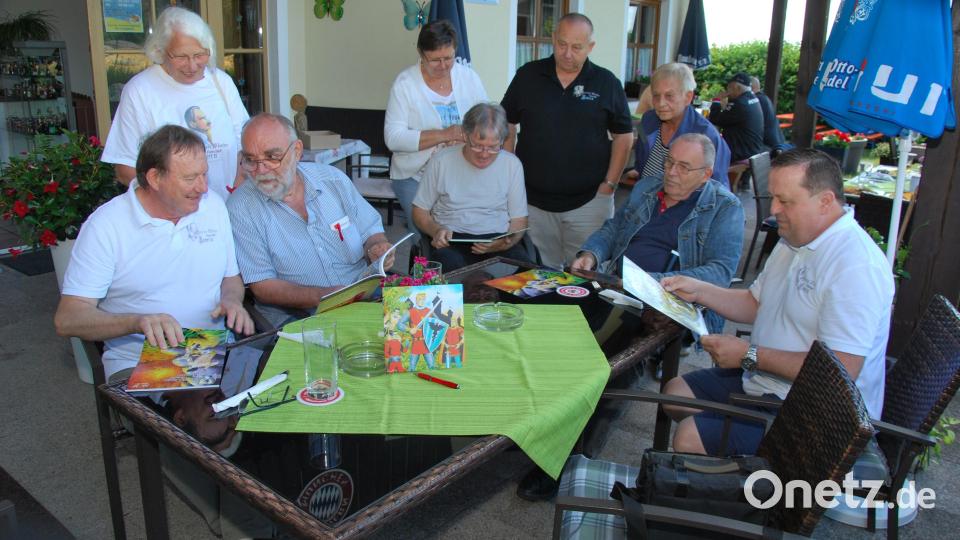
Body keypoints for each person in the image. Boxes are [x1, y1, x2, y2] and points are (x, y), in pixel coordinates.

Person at [661, 148, 894, 456]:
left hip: (821, 418)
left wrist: (750, 355)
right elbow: (755, 303)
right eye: (773, 198)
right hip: (769, 385)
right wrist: (699, 290)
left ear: (825, 201)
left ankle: (747, 476)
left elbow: (841, 370)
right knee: (674, 394)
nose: (773, 210)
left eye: (785, 201)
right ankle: (732, 467)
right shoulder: (794, 237)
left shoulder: (855, 266)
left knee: (689, 437)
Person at [54, 125, 255, 380]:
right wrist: (137, 322)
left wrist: (232, 300)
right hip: (141, 360)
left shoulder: (212, 206)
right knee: (206, 406)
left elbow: (230, 277)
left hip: (214, 350)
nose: (203, 187)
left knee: (284, 387)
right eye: (190, 178)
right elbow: (68, 318)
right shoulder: (106, 226)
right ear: (154, 178)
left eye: (204, 174)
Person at [227, 113, 394, 328]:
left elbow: (371, 231)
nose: (261, 170)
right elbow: (263, 286)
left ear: (296, 151)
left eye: (272, 157)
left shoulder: (333, 180)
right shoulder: (240, 207)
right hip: (301, 318)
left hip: (365, 297)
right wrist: (327, 296)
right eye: (251, 160)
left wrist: (376, 247)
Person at [573, 133, 744, 335]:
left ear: (706, 174)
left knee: (607, 340)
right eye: (669, 161)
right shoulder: (648, 187)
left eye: (684, 167)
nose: (671, 172)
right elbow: (614, 228)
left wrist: (646, 281)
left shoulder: (725, 207)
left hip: (670, 307)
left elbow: (720, 272)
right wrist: (591, 254)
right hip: (618, 290)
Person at [501, 12, 634, 269]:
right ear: (553, 39)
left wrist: (609, 184)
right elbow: (507, 123)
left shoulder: (606, 82)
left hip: (589, 203)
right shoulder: (528, 75)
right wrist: (511, 174)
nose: (567, 53)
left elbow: (624, 136)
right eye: (562, 44)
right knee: (536, 276)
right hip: (533, 203)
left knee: (587, 277)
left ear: (590, 47)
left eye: (577, 47)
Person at [101, 6, 248, 201]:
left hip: (227, 207)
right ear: (160, 50)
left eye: (199, 55)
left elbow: (244, 144)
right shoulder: (140, 91)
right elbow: (125, 169)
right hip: (171, 213)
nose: (192, 65)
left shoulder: (221, 82)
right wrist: (170, 204)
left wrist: (238, 188)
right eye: (181, 56)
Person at [384, 19, 488, 239]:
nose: (443, 65)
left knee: (459, 236)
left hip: (461, 176)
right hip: (415, 178)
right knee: (427, 238)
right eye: (435, 60)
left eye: (448, 58)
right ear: (421, 54)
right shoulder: (405, 84)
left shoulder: (469, 78)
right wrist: (444, 135)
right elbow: (393, 138)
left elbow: (485, 123)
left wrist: (466, 137)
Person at [411, 102, 530, 271]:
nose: (484, 154)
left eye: (493, 147)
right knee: (452, 274)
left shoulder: (512, 165)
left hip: (497, 238)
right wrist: (436, 230)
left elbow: (519, 220)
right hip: (452, 238)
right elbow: (420, 211)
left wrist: (506, 242)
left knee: (527, 276)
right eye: (478, 146)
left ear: (502, 141)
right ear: (465, 136)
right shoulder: (442, 161)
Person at [628, 63, 731, 188]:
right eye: (656, 95)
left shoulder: (707, 136)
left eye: (669, 96)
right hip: (645, 195)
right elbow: (641, 153)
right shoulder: (647, 120)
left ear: (688, 97)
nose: (661, 103)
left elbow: (718, 188)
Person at [709, 72, 768, 163]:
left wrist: (716, 101)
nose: (727, 93)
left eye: (729, 88)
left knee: (707, 154)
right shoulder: (753, 98)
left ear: (737, 88)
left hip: (740, 153)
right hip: (752, 149)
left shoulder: (739, 103)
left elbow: (715, 119)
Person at [749, 76, 788, 154]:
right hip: (776, 142)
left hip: (770, 146)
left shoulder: (756, 101)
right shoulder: (764, 98)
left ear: (750, 87)